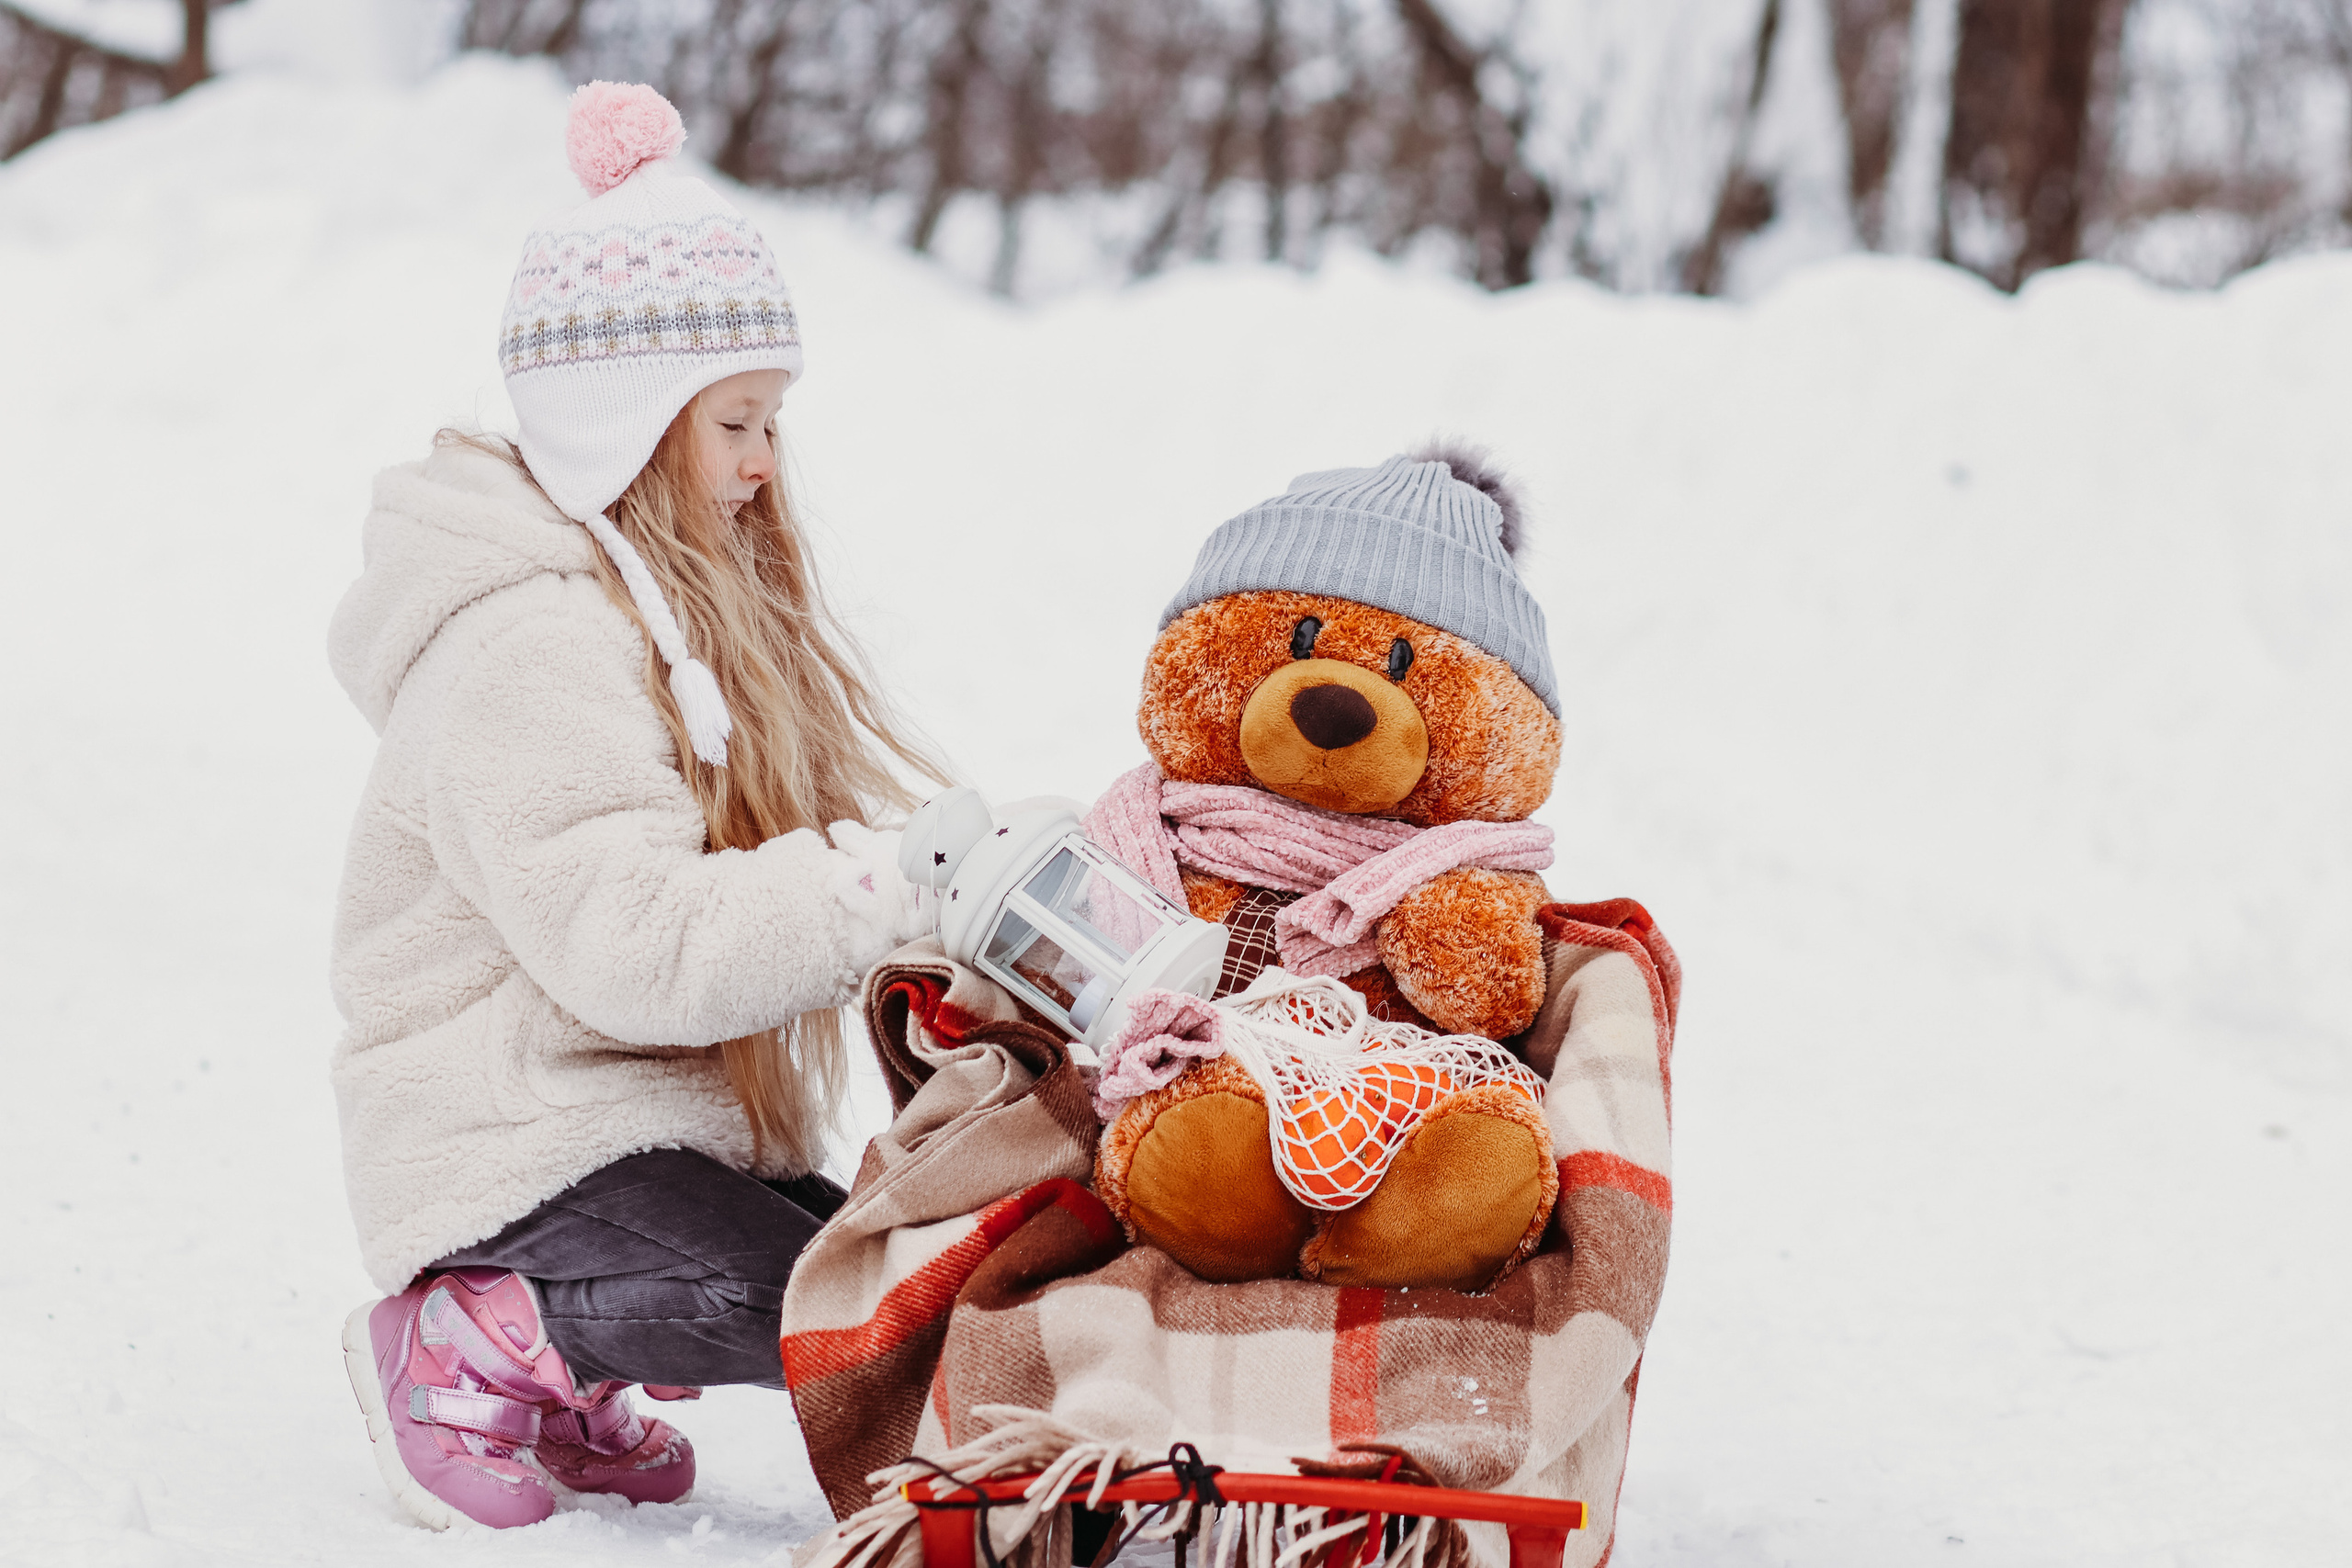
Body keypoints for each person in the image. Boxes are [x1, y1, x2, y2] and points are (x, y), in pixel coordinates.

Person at [325, 82, 940, 1530]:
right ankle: (467, 1335)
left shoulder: (646, 613)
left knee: (872, 1268)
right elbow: (638, 949)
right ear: (629, 420)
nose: (761, 464)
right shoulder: (528, 646)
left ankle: (553, 1365)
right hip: (503, 1142)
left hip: (617, 1124)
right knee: (783, 1296)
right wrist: (872, 893)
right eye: (736, 422)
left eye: (770, 424)